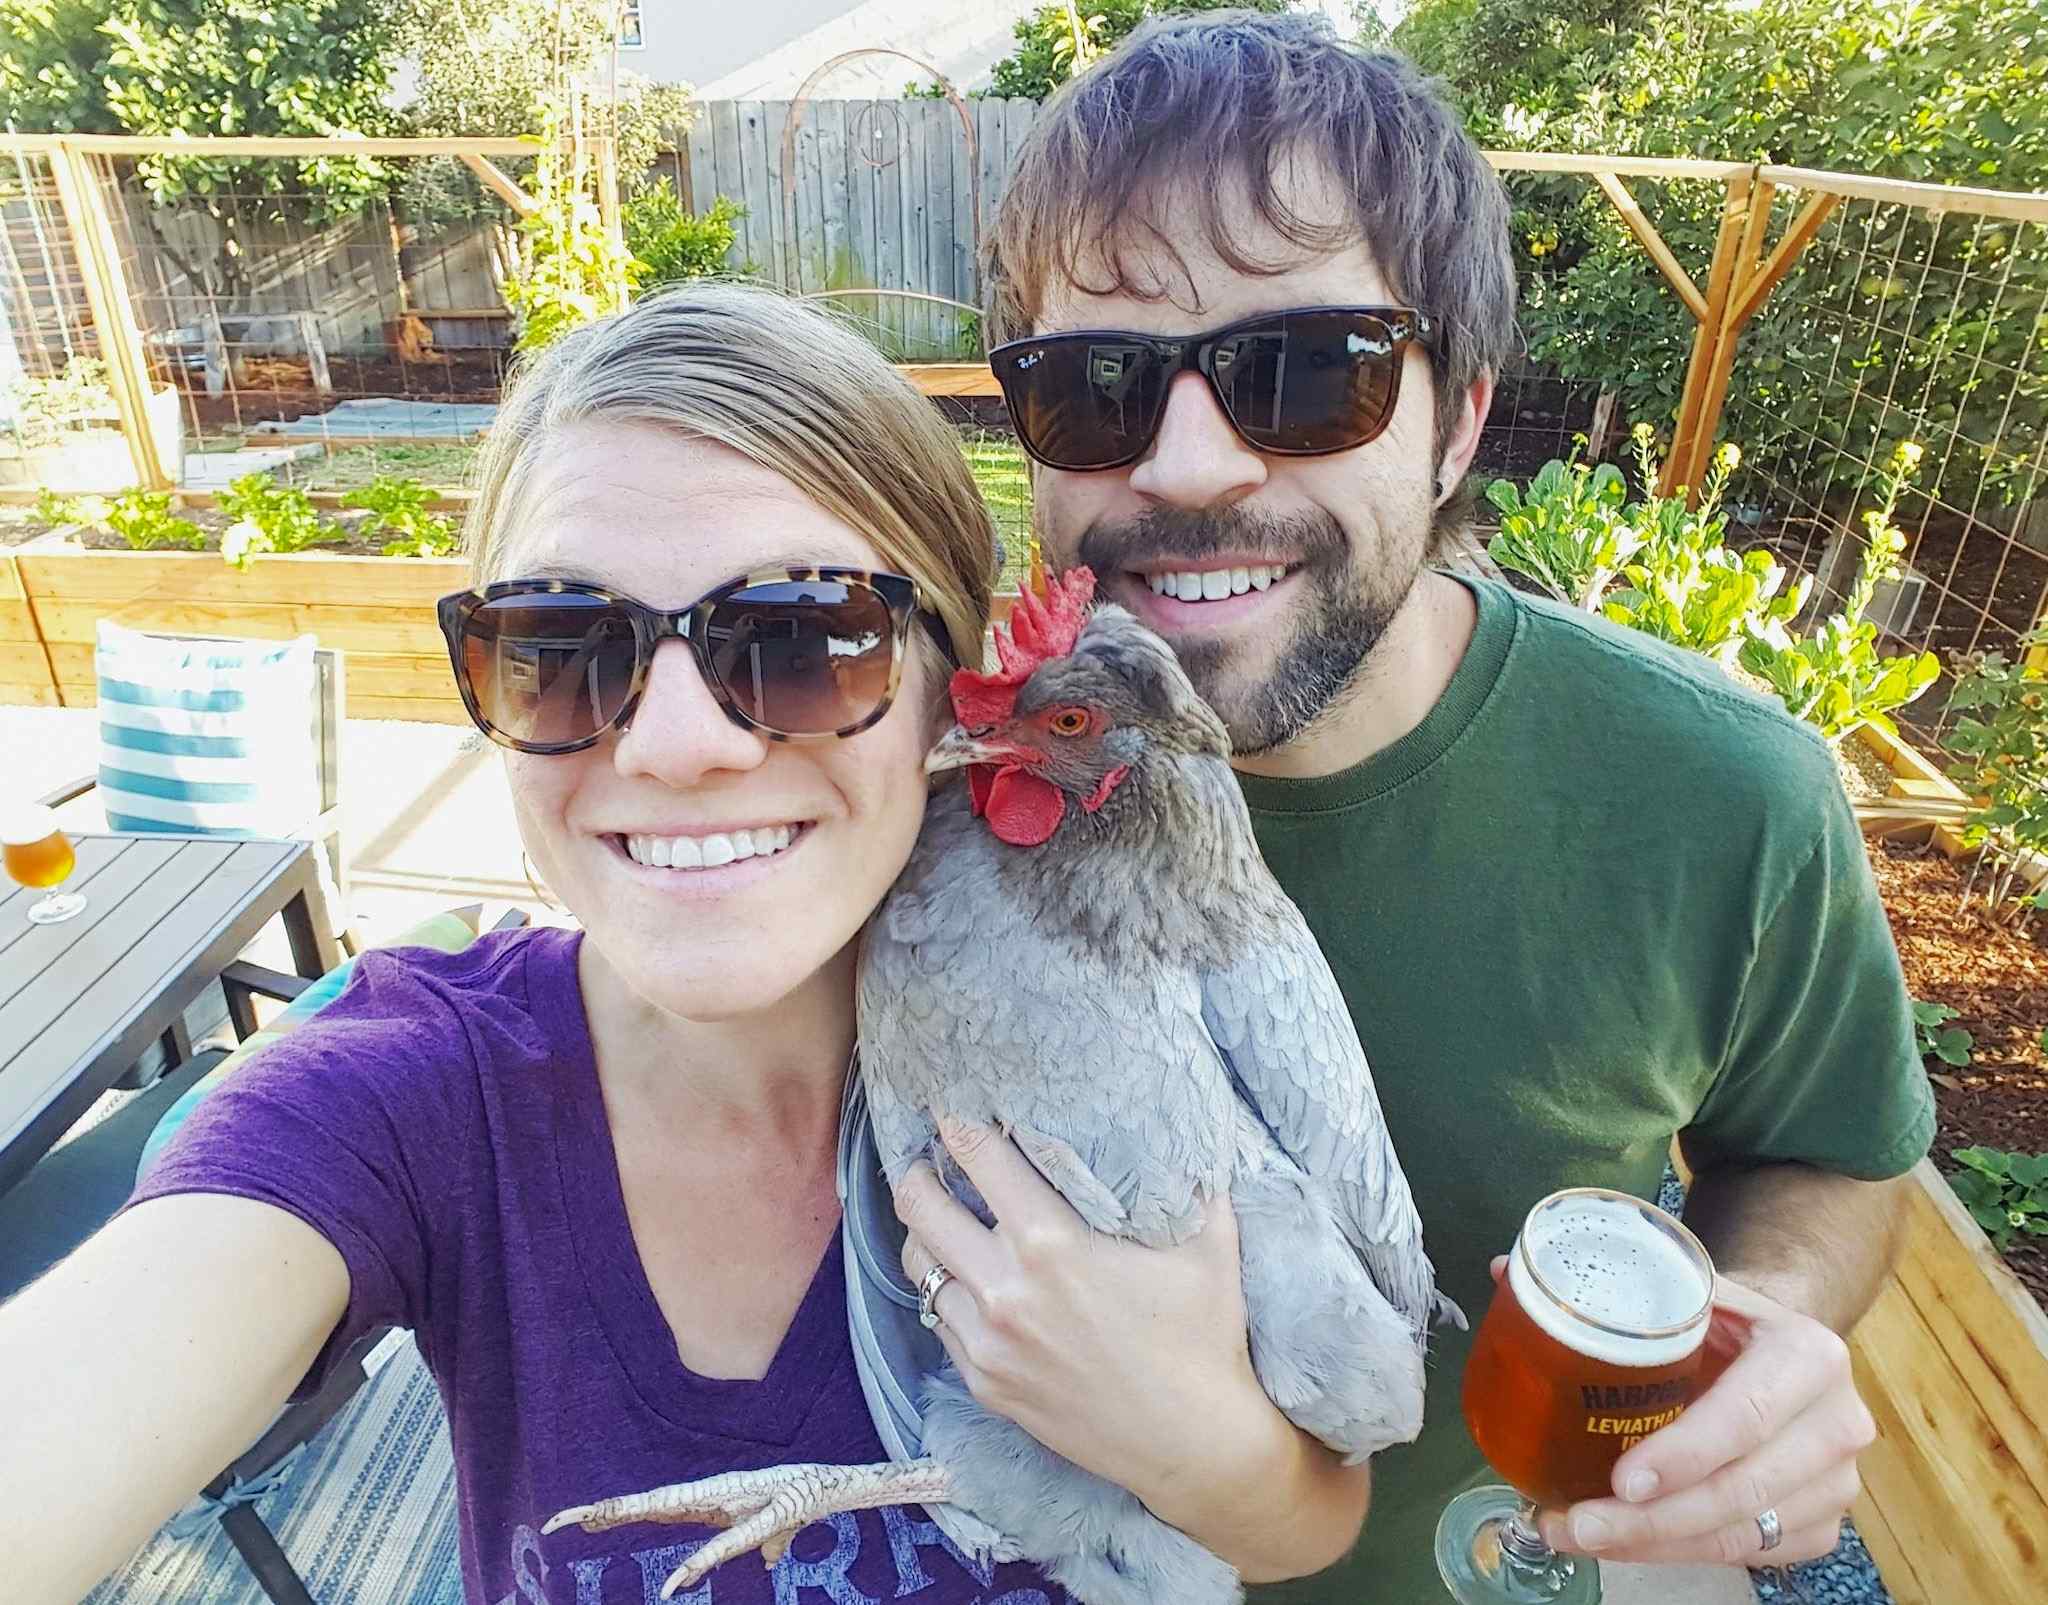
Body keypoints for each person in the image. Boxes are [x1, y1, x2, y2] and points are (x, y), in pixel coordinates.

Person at [0, 286, 1368, 1604]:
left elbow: (1312, 1510)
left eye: (803, 638)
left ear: (952, 695)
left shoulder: (1121, 1019)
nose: (672, 745)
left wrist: (1202, 1440)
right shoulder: (410, 1096)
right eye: (557, 642)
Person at [961, 11, 1934, 1605]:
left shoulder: (1716, 795)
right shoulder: (954, 776)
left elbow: (1830, 1155)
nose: (1190, 464)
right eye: (1099, 386)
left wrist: (1773, 1325)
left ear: (1462, 417)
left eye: (1303, 373)